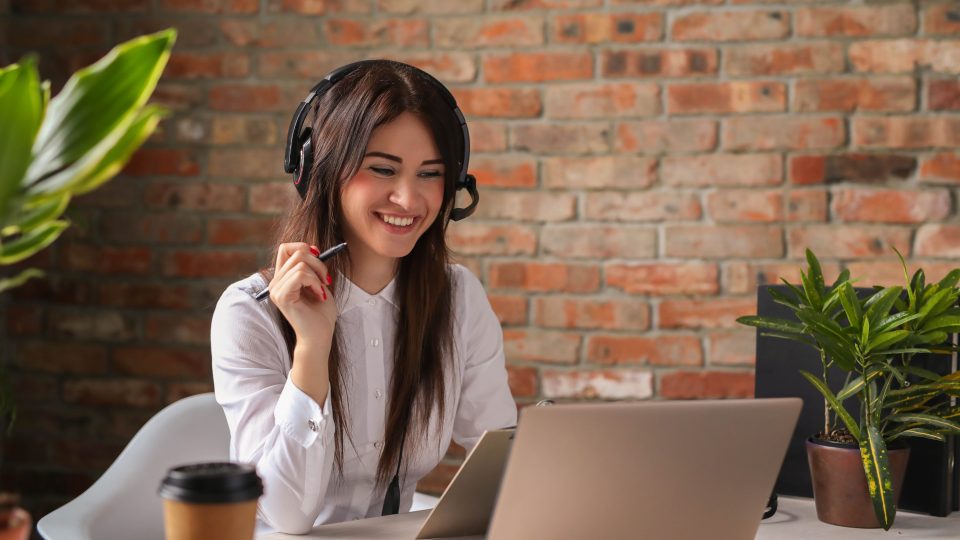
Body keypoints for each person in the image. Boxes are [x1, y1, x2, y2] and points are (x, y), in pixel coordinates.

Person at [210, 60, 517, 534]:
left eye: (430, 174)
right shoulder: (249, 313)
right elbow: (286, 515)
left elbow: (503, 462)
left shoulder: (457, 298)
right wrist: (312, 347)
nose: (409, 199)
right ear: (320, 169)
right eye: (382, 169)